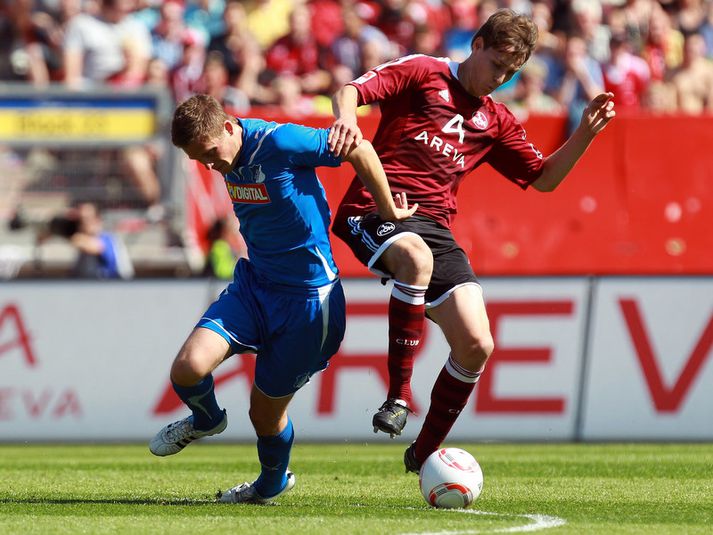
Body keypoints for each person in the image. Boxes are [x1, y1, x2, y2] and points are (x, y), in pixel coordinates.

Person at [327, 8, 615, 473]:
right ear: (476, 45)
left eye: (510, 72)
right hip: (375, 208)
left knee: (477, 344)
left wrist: (584, 132)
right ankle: (399, 397)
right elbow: (352, 90)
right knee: (415, 258)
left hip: (435, 227)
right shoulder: (423, 71)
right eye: (496, 64)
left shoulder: (495, 119)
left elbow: (543, 180)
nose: (500, 78)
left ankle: (421, 457)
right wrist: (347, 121)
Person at [149, 94, 415, 503]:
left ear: (228, 128)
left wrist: (387, 210)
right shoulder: (223, 145)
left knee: (264, 415)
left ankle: (270, 485)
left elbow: (358, 147)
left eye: (209, 154)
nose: (209, 165)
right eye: (198, 159)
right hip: (255, 286)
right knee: (187, 369)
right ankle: (206, 420)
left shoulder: (281, 142)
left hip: (310, 304)